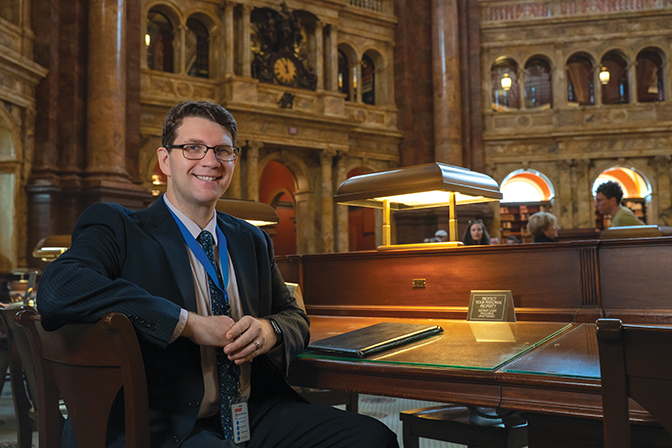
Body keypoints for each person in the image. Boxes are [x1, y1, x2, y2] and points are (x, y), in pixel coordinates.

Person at [36, 101, 398, 448]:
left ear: (234, 160)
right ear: (165, 159)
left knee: (372, 437)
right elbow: (57, 288)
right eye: (193, 148)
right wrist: (186, 323)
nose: (210, 161)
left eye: (222, 151)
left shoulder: (251, 238)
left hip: (252, 411)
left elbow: (293, 317)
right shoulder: (120, 226)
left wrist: (269, 331)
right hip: (163, 423)